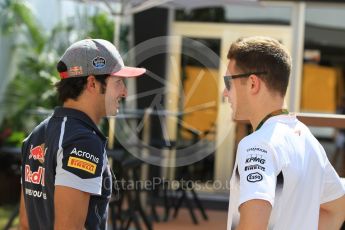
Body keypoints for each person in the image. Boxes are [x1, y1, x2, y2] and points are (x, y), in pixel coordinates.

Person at [19, 38, 146, 229]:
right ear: (92, 83)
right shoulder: (83, 141)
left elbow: (26, 223)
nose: (125, 92)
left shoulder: (37, 134)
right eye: (118, 82)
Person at [224, 36, 345, 230]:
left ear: (253, 83)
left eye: (228, 82)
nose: (225, 92)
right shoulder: (307, 139)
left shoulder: (256, 144)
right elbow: (337, 209)